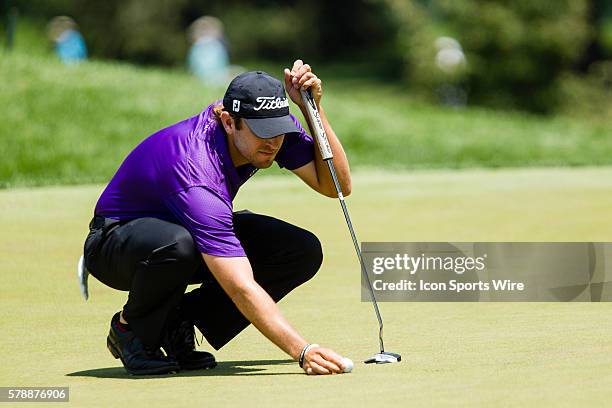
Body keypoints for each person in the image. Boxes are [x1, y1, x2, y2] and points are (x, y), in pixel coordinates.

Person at [83, 60, 352, 375]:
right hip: (116, 244)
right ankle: (131, 330)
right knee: (177, 245)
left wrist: (312, 109)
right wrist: (301, 350)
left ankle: (177, 320)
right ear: (228, 122)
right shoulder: (196, 168)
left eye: (278, 130)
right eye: (262, 133)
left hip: (182, 229)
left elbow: (336, 185)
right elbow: (239, 285)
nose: (272, 142)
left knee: (299, 249)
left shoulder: (270, 127)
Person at [186, 16, 229, 86]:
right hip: (212, 76)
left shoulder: (196, 47)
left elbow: (191, 66)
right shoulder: (216, 46)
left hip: (207, 77)